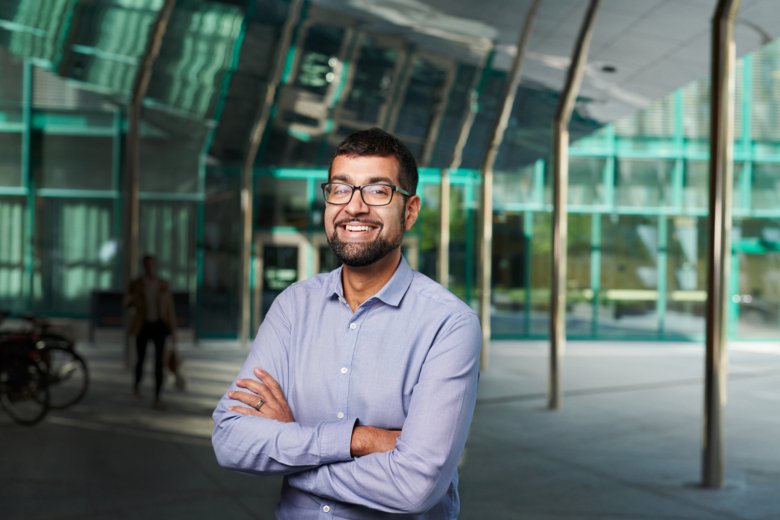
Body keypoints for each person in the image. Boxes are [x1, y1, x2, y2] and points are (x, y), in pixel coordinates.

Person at [212, 128, 481, 518]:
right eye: (341, 189)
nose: (354, 207)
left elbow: (415, 487)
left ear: (410, 210)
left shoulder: (448, 324)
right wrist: (360, 440)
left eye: (377, 191)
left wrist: (292, 449)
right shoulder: (293, 307)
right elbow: (230, 439)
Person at [126, 254, 177, 409]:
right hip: (143, 326)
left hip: (159, 326)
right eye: (147, 264)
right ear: (144, 266)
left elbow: (169, 309)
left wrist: (174, 330)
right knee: (140, 359)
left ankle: (157, 396)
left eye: (152, 264)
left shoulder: (162, 284)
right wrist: (136, 298)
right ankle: (136, 386)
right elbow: (128, 304)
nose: (149, 267)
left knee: (159, 362)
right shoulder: (137, 284)